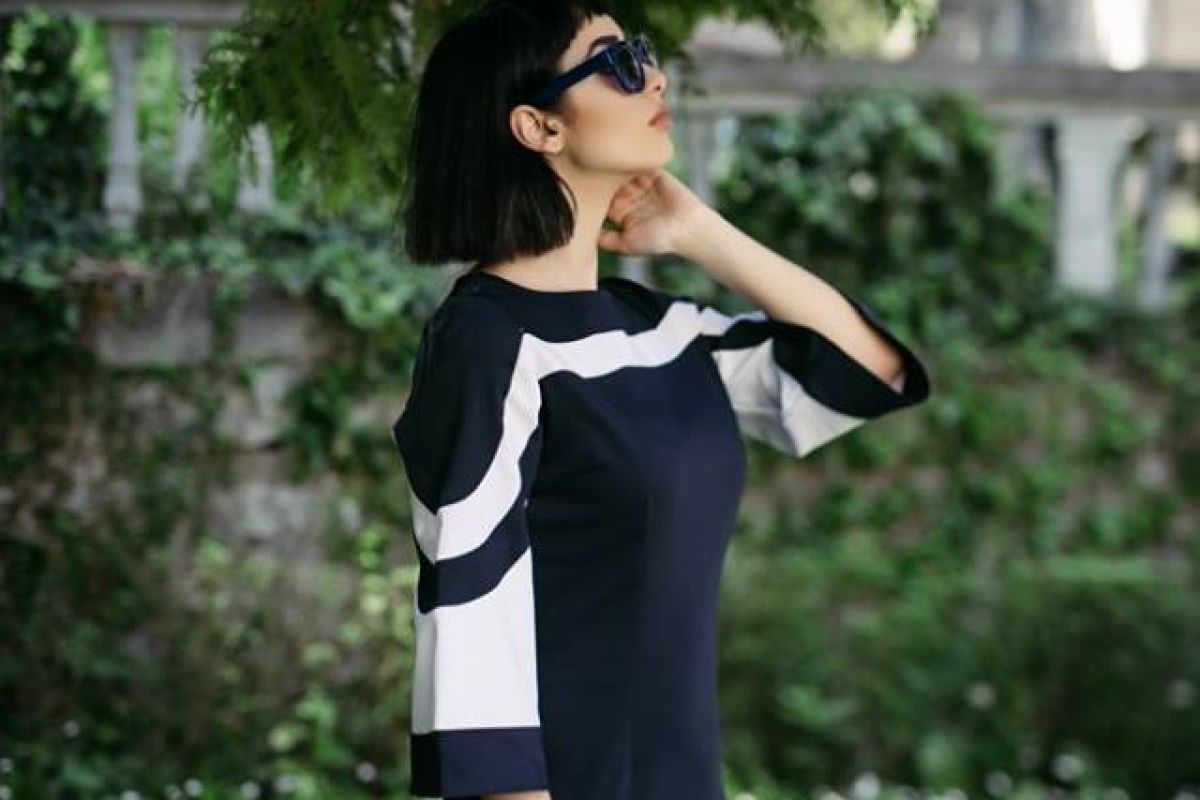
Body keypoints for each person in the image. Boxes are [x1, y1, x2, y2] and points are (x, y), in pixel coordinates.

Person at [391, 1, 932, 798]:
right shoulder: (488, 341)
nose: (654, 78)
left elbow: (868, 373)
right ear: (539, 127)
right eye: (616, 62)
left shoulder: (658, 330)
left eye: (642, 53)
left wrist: (699, 233)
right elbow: (469, 606)